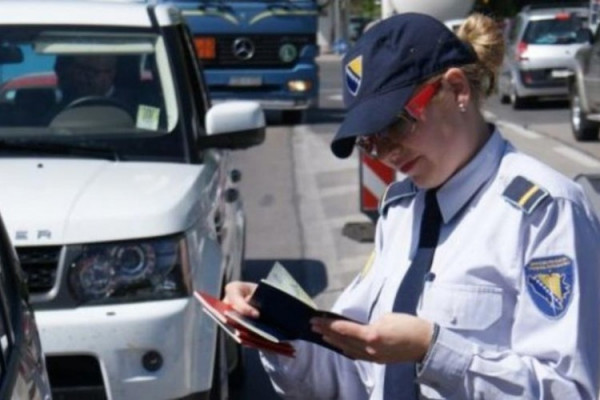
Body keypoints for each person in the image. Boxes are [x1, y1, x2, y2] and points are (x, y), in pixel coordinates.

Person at [224, 12, 600, 399]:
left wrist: (433, 352)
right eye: (368, 142)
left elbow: (573, 391)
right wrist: (279, 331)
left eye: (395, 125)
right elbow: (355, 377)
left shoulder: (544, 212)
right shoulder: (400, 209)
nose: (385, 153)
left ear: (457, 90)